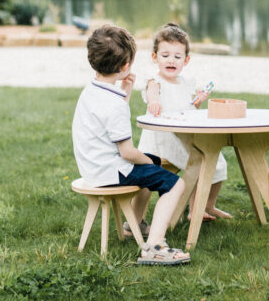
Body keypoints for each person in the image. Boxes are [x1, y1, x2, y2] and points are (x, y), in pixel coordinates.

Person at [71, 24, 190, 265]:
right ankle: (155, 246)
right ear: (126, 66)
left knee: (153, 164)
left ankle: (135, 223)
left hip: (93, 166)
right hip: (111, 171)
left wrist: (124, 95)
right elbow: (126, 152)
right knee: (175, 182)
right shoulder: (113, 105)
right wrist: (146, 161)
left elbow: (108, 125)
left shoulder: (91, 90)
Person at [138, 22, 231, 221]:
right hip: (163, 141)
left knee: (217, 161)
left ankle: (206, 206)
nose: (171, 60)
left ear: (186, 60)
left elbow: (190, 110)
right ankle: (193, 210)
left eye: (177, 57)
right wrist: (154, 101)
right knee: (201, 160)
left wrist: (197, 102)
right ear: (155, 57)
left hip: (185, 136)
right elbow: (152, 93)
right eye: (165, 56)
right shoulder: (154, 81)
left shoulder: (186, 83)